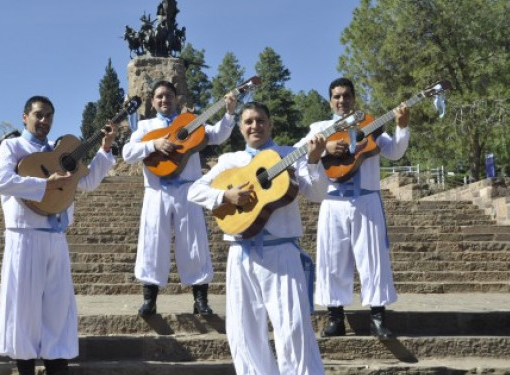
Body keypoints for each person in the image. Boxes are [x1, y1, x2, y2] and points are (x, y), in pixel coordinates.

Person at [188, 101, 328, 374]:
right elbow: (194, 190)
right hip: (240, 251)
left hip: (281, 252)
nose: (255, 126)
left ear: (270, 124)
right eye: (249, 121)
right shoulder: (231, 161)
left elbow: (317, 194)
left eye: (260, 120)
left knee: (293, 328)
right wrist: (224, 196)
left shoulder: (289, 154)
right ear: (240, 127)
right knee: (243, 330)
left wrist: (313, 160)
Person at [0, 95, 116, 375]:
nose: (44, 120)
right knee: (23, 305)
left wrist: (105, 149)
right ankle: (24, 366)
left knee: (59, 305)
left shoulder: (61, 151)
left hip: (56, 235)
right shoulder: (12, 146)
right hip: (24, 234)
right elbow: (1, 181)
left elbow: (89, 182)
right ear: (25, 117)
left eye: (49, 115)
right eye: (39, 115)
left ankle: (57, 364)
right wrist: (43, 185)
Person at [298, 77, 410, 340]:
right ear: (330, 101)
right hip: (333, 201)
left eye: (346, 95)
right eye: (336, 96)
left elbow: (394, 153)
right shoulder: (320, 127)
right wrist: (323, 149)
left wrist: (402, 127)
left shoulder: (370, 126)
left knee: (374, 259)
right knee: (331, 259)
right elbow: (296, 153)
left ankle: (378, 317)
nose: (341, 100)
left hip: (366, 200)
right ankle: (335, 318)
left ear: (354, 98)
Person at [122, 80, 237, 316]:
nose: (165, 100)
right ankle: (149, 300)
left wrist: (229, 112)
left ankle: (200, 300)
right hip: (157, 191)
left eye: (169, 96)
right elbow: (128, 153)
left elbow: (217, 135)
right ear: (153, 102)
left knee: (194, 242)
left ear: (176, 99)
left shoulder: (190, 123)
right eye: (160, 97)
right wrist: (154, 143)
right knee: (153, 242)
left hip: (188, 190)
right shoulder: (145, 126)